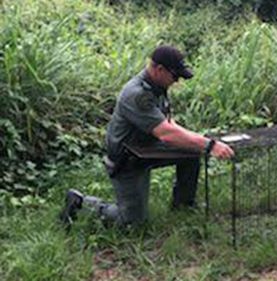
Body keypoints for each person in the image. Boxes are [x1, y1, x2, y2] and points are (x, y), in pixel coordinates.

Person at [59, 45, 234, 228]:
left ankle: (183, 206)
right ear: (159, 70)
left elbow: (168, 124)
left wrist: (199, 140)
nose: (177, 82)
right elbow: (166, 133)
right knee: (132, 223)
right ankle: (81, 202)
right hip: (127, 158)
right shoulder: (137, 94)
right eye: (175, 76)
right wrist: (210, 145)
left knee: (192, 151)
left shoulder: (157, 87)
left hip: (147, 147)